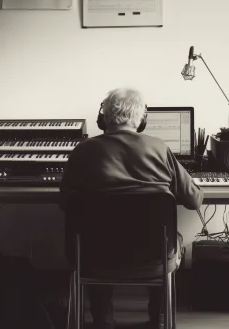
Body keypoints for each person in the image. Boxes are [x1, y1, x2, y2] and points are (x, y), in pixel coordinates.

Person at [59, 88, 204, 329]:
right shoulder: (159, 148)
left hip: (94, 257)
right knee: (167, 238)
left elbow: (65, 203)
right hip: (152, 257)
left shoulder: (82, 151)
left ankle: (103, 320)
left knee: (91, 237)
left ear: (103, 118)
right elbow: (194, 201)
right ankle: (158, 318)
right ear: (142, 119)